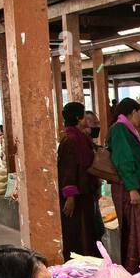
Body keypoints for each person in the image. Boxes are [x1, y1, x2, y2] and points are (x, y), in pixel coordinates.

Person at [108, 97, 140, 273]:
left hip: (132, 189)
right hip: (128, 190)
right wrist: (132, 189)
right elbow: (124, 160)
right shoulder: (119, 129)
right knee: (137, 232)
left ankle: (137, 271)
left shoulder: (126, 129)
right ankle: (136, 272)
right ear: (133, 112)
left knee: (138, 232)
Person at [57, 101, 104, 259]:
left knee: (88, 235)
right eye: (84, 115)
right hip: (76, 199)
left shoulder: (80, 137)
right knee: (78, 235)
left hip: (85, 195)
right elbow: (68, 169)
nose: (86, 119)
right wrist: (70, 196)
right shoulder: (70, 140)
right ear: (78, 117)